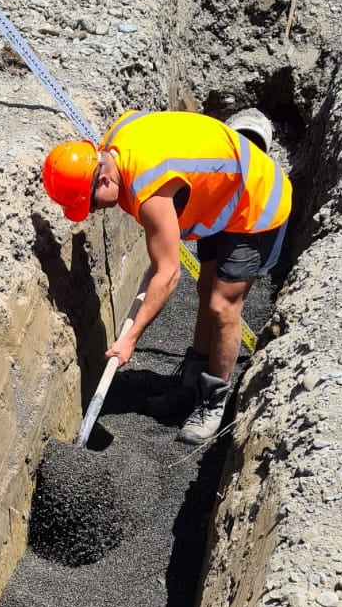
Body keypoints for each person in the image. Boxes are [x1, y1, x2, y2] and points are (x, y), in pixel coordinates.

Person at [41, 109, 292, 443]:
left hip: (255, 199)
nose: (93, 212)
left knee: (222, 307)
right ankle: (191, 385)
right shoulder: (115, 142)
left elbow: (169, 274)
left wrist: (130, 339)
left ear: (103, 181)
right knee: (206, 287)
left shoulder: (149, 187)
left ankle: (213, 400)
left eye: (91, 204)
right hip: (219, 189)